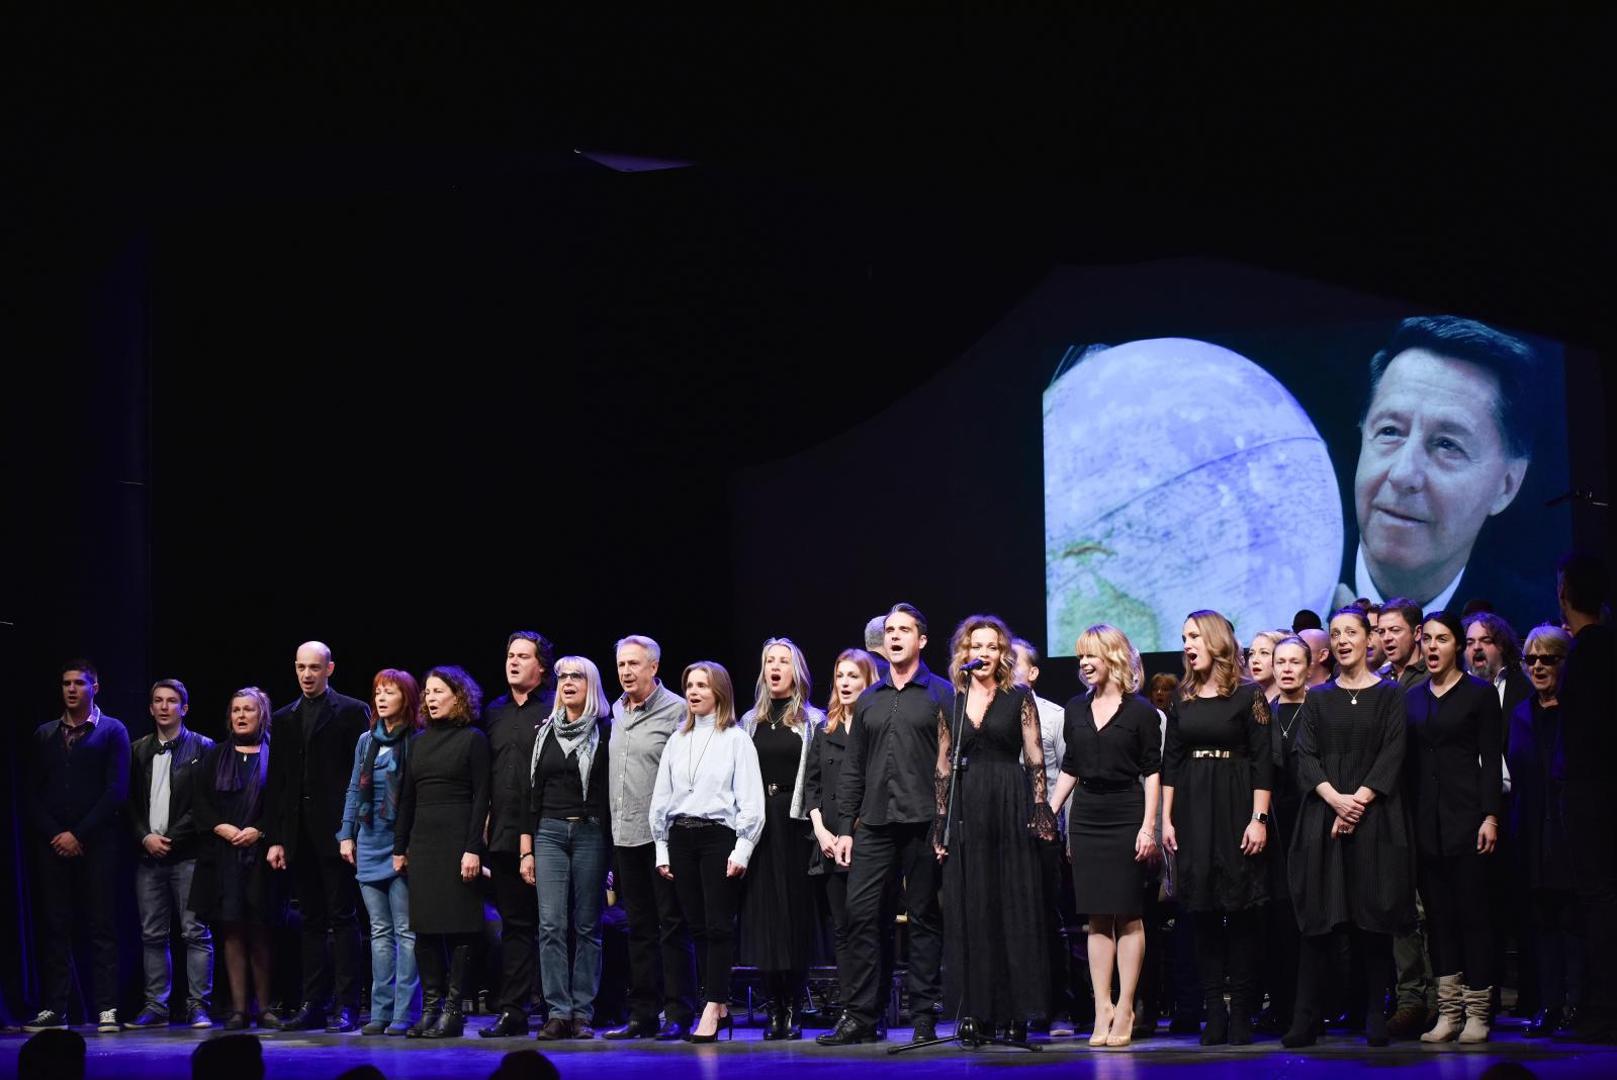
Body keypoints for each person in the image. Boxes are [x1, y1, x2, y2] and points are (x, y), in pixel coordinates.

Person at [1335, 315, 1544, 624]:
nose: (1403, 474)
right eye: (1390, 431)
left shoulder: (1534, 628)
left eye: (1447, 445)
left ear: (1507, 485)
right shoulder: (1280, 580)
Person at [817, 603, 954, 1046]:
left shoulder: (941, 694)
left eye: (904, 630)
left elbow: (952, 766)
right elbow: (854, 767)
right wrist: (845, 828)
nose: (894, 636)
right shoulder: (870, 698)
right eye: (890, 630)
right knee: (861, 915)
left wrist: (945, 824)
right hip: (874, 823)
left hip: (923, 821)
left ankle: (923, 1016)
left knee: (924, 917)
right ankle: (862, 1016)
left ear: (922, 640)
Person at [1283, 608, 1417, 1048]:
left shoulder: (1390, 694)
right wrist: (1336, 800)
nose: (1341, 640)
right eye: (1335, 633)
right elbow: (1305, 755)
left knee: (1372, 919)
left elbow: (1394, 750)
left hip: (1374, 816)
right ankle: (1305, 1018)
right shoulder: (1318, 698)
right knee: (1319, 921)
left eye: (1350, 633)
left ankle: (1374, 1013)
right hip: (1324, 816)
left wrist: (1357, 800)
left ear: (1368, 638)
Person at [932, 615, 1056, 1045]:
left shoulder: (1019, 697)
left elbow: (1035, 757)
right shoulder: (952, 701)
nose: (982, 653)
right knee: (973, 907)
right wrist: (941, 823)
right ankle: (977, 1010)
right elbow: (943, 766)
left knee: (1011, 905)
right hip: (967, 805)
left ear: (1002, 654)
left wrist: (1039, 809)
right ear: (963, 653)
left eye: (991, 646)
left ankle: (1015, 1010)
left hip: (1008, 801)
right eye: (975, 646)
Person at [1161, 611, 1272, 1045]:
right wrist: (1166, 818)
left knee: (1240, 910)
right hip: (1193, 808)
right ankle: (1214, 1012)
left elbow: (1262, 762)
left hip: (1236, 804)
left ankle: (1241, 1010)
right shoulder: (1183, 697)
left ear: (1215, 640)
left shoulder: (1248, 695)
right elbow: (1171, 761)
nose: (1187, 644)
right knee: (1202, 911)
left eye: (1194, 636)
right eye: (1184, 637)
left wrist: (1258, 819)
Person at [1048, 623, 1161, 1047]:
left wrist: (1148, 827)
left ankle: (1126, 1005)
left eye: (1090, 655)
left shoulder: (1141, 712)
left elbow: (1152, 773)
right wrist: (1048, 811)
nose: (1083, 663)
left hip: (1126, 813)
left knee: (1128, 914)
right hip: (1087, 816)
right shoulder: (1075, 708)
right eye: (1080, 656)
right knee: (1095, 916)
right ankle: (1103, 1007)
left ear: (1113, 657)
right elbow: (1071, 767)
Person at [649, 661, 765, 1043]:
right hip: (681, 837)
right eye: (689, 685)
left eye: (702, 685)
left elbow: (751, 799)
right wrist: (662, 847)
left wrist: (743, 848)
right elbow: (662, 797)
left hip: (718, 836)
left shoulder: (736, 739)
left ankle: (713, 1004)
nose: (693, 692)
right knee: (696, 926)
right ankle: (716, 1001)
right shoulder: (677, 739)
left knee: (718, 925)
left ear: (719, 692)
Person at [263, 641, 371, 1032]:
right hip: (299, 835)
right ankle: (313, 1003)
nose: (307, 674)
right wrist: (276, 838)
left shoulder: (351, 711)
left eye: (314, 667)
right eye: (301, 667)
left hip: (337, 833)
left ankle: (347, 1004)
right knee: (310, 919)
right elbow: (277, 783)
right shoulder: (284, 717)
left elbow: (362, 776)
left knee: (343, 917)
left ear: (329, 669)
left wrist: (352, 830)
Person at [1405, 611, 1502, 1042]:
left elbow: (1491, 761)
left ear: (1457, 645)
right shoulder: (1413, 699)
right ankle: (1449, 1012)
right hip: (1427, 825)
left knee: (1473, 917)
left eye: (1441, 639)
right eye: (1427, 639)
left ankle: (1478, 1011)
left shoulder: (1479, 695)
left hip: (1468, 820)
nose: (1432, 646)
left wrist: (1490, 815)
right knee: (1439, 920)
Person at [23, 659, 131, 1034]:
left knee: (101, 925)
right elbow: (31, 793)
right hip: (53, 846)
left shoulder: (112, 730)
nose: (72, 689)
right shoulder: (44, 734)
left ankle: (107, 1007)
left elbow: (116, 791)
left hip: (97, 844)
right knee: (55, 926)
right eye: (66, 683)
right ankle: (56, 1007)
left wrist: (79, 834)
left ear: (94, 688)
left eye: (79, 683)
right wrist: (57, 834)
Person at [602, 635, 698, 1041]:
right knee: (638, 927)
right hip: (625, 835)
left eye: (634, 664)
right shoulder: (615, 710)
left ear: (653, 667)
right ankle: (643, 1013)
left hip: (663, 837)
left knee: (672, 926)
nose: (626, 672)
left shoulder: (677, 710)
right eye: (621, 664)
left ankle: (679, 1012)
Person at [394, 665, 491, 1039]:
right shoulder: (418, 742)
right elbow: (407, 798)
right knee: (425, 928)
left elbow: (482, 798)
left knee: (460, 925)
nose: (431, 698)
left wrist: (472, 849)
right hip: (424, 843)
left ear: (458, 696)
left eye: (439, 691)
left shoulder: (473, 739)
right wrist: (400, 847)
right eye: (428, 692)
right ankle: (431, 1008)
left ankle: (453, 1011)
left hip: (457, 841)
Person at [737, 638, 825, 1040]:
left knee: (794, 915)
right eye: (769, 660)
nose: (775, 667)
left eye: (783, 661)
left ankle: (794, 1005)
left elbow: (818, 777)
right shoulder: (748, 722)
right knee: (764, 915)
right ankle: (774, 1006)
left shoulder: (812, 720)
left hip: (796, 823)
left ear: (796, 670)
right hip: (760, 823)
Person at [522, 656, 613, 1041]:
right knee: (551, 925)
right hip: (549, 832)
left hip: (590, 831)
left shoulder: (605, 731)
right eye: (562, 677)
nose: (568, 682)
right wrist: (526, 848)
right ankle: (558, 1012)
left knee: (588, 924)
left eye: (577, 676)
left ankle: (582, 1013)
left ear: (591, 684)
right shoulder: (544, 731)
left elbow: (609, 793)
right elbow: (531, 794)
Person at [805, 649, 889, 1032]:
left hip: (866, 838)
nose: (845, 683)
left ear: (869, 681)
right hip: (828, 840)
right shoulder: (826, 729)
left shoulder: (877, 729)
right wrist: (821, 831)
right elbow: (812, 786)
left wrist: (850, 832)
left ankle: (874, 1008)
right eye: (840, 675)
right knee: (842, 928)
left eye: (853, 676)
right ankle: (850, 1008)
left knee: (869, 925)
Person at [337, 669, 423, 1036]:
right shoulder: (366, 741)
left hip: (401, 844)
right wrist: (347, 834)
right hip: (370, 841)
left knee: (406, 931)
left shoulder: (416, 740)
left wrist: (408, 845)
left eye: (390, 692)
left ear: (407, 698)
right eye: (378, 692)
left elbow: (417, 797)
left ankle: (406, 1012)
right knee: (379, 931)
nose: (382, 698)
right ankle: (381, 1010)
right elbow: (353, 789)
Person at [128, 679, 216, 1029]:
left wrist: (172, 838)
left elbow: (205, 804)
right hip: (148, 856)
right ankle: (156, 1006)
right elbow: (128, 803)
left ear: (184, 708)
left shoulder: (203, 747)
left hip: (188, 854)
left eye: (172, 701)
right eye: (158, 701)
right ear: (150, 708)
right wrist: (144, 837)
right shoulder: (137, 750)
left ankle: (198, 1006)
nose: (164, 707)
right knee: (152, 934)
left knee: (195, 932)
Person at [481, 631, 556, 1038]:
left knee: (553, 924)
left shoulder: (554, 707)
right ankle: (513, 1010)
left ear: (541, 666)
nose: (513, 662)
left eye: (523, 656)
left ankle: (558, 1008)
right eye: (510, 655)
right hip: (504, 834)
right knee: (514, 925)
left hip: (548, 832)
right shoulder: (495, 711)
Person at [1508, 624, 1581, 1037]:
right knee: (1542, 922)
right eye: (1531, 659)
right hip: (1533, 830)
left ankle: (1575, 1004)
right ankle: (1550, 1005)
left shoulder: (1578, 712)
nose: (1537, 667)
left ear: (1565, 662)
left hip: (1572, 832)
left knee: (1573, 921)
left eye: (1548, 659)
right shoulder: (1522, 714)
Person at [190, 688, 278, 1031]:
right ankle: (239, 1010)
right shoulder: (215, 755)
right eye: (236, 710)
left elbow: (283, 802)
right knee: (232, 931)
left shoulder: (275, 755)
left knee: (260, 931)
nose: (241, 716)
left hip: (261, 855)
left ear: (262, 715)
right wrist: (222, 827)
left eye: (248, 710)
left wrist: (260, 829)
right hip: (223, 855)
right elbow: (200, 801)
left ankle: (265, 1008)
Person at [1555, 551, 1616, 1042]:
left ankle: (1602, 1010)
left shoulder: (1587, 653)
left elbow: (1584, 734)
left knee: (1598, 901)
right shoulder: (1602, 647)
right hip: (1596, 790)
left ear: (1565, 593)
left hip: (1592, 794)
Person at [1012, 637, 1075, 1034]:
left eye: (1013, 661)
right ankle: (1019, 1007)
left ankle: (1059, 1008)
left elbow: (1071, 774)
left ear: (1033, 672)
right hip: (1005, 831)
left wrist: (1064, 831)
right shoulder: (988, 712)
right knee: (1011, 920)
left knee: (1048, 918)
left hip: (1045, 832)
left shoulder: (1054, 716)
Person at [1256, 636, 1311, 1035]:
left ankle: (1314, 1005)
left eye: (1295, 662)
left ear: (1309, 667)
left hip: (1312, 819)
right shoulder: (1264, 714)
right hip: (1275, 824)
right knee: (1278, 918)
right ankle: (1282, 1004)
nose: (1287, 669)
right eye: (1281, 662)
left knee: (1312, 917)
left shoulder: (1319, 709)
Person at [1464, 612, 1530, 732]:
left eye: (1486, 640)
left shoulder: (1523, 686)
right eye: (1470, 643)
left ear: (1502, 646)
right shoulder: (1456, 689)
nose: (1476, 647)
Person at [1377, 599, 1430, 691]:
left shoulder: (1433, 676)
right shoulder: (1378, 677)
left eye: (1395, 630)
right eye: (1381, 632)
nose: (1386, 638)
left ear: (1417, 633)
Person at [1247, 630, 1286, 701]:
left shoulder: (1300, 701)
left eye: (1264, 653)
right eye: (1251, 654)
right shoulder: (1246, 700)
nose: (1254, 660)